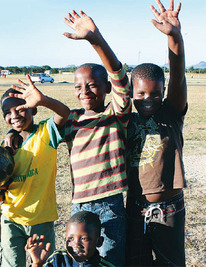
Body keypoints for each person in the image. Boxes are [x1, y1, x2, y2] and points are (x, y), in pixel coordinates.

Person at [62, 10, 131, 266]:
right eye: (79, 87)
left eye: (92, 85)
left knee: (110, 259)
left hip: (109, 205)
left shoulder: (115, 116)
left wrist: (96, 40)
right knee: (78, 261)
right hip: (78, 206)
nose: (85, 91)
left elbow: (121, 80)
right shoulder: (71, 121)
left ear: (106, 88)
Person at [0, 75, 69, 267]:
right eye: (7, 112)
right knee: (11, 264)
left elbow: (65, 113)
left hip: (41, 218)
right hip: (11, 218)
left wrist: (44, 99)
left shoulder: (46, 133)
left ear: (33, 108)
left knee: (45, 263)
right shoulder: (3, 150)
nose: (14, 115)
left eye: (20, 108)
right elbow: (7, 184)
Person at [125, 1, 187, 265]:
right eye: (140, 94)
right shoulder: (126, 120)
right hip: (134, 210)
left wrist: (174, 37)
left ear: (162, 93)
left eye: (155, 93)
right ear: (131, 94)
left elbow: (177, 76)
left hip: (170, 210)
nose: (148, 98)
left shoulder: (170, 114)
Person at [26, 211, 114, 267]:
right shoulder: (58, 259)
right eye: (70, 238)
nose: (76, 244)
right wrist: (37, 264)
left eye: (84, 238)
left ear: (99, 241)